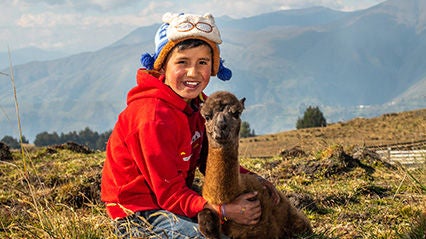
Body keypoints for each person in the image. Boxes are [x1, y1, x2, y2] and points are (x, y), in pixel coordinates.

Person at [101, 12, 280, 239]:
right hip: (139, 213)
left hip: (173, 197)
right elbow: (168, 194)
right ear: (162, 65)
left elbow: (210, 160)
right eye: (182, 62)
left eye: (202, 62)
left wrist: (254, 181)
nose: (193, 73)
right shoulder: (153, 117)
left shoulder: (197, 105)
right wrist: (225, 211)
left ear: (214, 66)